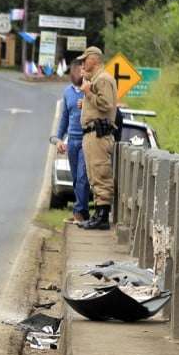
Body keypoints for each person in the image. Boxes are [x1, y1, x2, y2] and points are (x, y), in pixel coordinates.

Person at [77, 46, 117, 231]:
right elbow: (97, 103)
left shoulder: (103, 79)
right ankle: (97, 214)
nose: (83, 63)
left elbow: (106, 104)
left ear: (95, 59)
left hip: (98, 134)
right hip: (91, 134)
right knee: (94, 175)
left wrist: (88, 93)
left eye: (86, 59)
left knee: (100, 174)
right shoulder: (96, 80)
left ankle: (102, 216)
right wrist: (85, 101)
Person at [52, 60, 91, 224]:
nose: (78, 73)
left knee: (83, 176)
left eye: (81, 70)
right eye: (75, 70)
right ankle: (83, 212)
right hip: (72, 140)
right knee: (75, 177)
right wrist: (59, 138)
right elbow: (64, 118)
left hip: (87, 139)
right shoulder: (67, 92)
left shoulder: (89, 90)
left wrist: (87, 103)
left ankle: (78, 212)